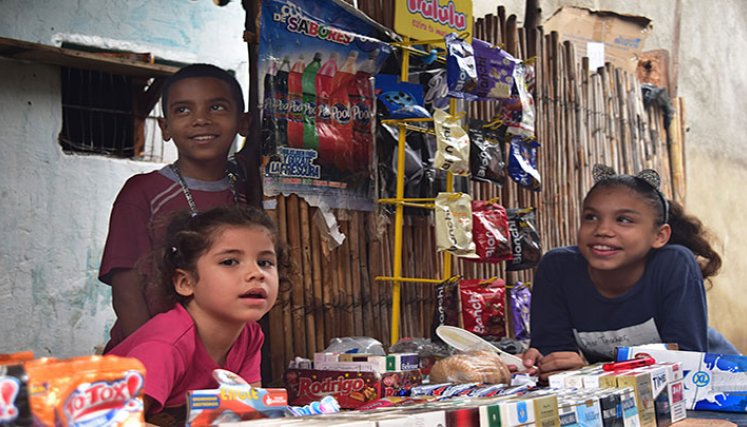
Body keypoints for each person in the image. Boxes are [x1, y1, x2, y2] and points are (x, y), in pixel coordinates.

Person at [522, 164, 731, 380]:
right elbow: (554, 360)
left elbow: (684, 368)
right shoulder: (558, 269)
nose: (602, 230)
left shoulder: (673, 265)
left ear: (659, 236)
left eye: (624, 220)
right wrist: (550, 367)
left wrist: (588, 372)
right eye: (591, 217)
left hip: (719, 388)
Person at [99, 63, 255, 351]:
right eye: (183, 110)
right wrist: (156, 355)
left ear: (243, 123)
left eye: (217, 107)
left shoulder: (247, 186)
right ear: (165, 127)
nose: (200, 120)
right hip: (152, 357)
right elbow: (127, 291)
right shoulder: (142, 193)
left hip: (225, 362)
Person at [106, 205, 288, 422]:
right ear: (186, 282)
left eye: (265, 262)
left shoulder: (249, 335)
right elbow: (112, 421)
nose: (256, 273)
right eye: (229, 262)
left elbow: (249, 416)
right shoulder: (165, 346)